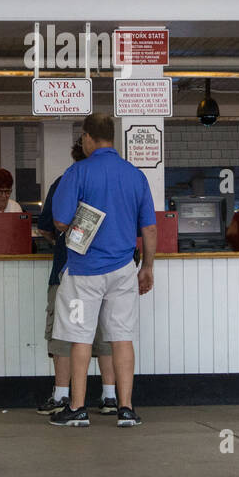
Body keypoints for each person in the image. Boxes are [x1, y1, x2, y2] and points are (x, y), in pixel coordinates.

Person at [48, 113, 156, 428]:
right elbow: (149, 228)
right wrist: (147, 267)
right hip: (124, 270)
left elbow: (59, 221)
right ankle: (125, 408)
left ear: (88, 137)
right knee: (122, 337)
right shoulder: (135, 176)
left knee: (80, 338)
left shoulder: (77, 172)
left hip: (84, 273)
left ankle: (77, 408)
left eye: (82, 137)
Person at [36, 140, 117, 416]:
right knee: (106, 332)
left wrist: (64, 241)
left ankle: (62, 396)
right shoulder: (117, 180)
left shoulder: (65, 181)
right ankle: (110, 396)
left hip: (69, 269)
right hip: (110, 268)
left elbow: (47, 226)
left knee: (66, 332)